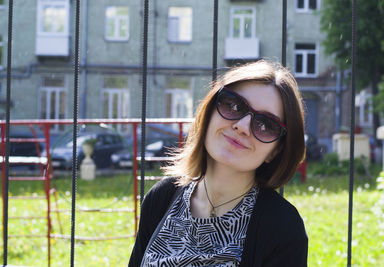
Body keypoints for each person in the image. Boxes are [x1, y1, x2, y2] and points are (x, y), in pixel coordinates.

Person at [129, 60, 308, 266]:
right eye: (233, 106)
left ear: (275, 151)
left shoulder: (283, 227)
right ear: (210, 111)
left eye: (266, 125)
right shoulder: (161, 198)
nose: (242, 126)